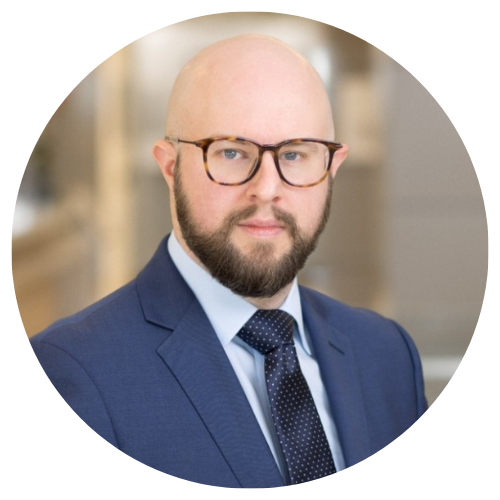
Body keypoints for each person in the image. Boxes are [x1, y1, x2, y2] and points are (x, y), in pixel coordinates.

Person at [29, 34, 470, 487]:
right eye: (232, 153)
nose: (266, 189)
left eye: (294, 155)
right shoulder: (70, 376)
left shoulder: (386, 355)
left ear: (331, 169)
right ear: (170, 167)